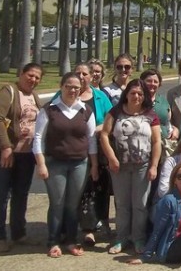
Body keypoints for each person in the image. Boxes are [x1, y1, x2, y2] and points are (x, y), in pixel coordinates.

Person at [33, 72, 99, 258]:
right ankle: (53, 241)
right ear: (61, 87)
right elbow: (38, 138)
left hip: (80, 163)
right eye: (69, 86)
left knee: (72, 204)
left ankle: (71, 240)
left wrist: (93, 165)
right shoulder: (49, 109)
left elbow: (92, 140)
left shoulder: (85, 110)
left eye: (76, 87)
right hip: (55, 163)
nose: (72, 90)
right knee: (58, 203)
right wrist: (41, 163)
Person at [99, 79, 162, 254]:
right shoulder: (116, 112)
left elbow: (157, 141)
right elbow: (104, 134)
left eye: (140, 94)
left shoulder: (151, 114)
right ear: (126, 94)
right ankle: (121, 238)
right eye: (133, 93)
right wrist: (111, 158)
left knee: (140, 204)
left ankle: (138, 238)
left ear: (145, 96)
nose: (136, 96)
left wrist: (154, 166)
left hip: (143, 166)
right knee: (122, 204)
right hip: (119, 166)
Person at [0, 63, 43, 253]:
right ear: (21, 73)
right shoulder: (8, 91)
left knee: (21, 193)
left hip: (26, 155)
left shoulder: (33, 96)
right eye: (30, 75)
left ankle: (19, 233)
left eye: (37, 77)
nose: (33, 79)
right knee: (1, 193)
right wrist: (5, 147)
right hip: (5, 153)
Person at [74, 62, 114, 246]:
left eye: (84, 74)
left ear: (91, 77)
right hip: (74, 150)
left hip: (99, 149)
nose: (81, 77)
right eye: (78, 73)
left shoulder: (100, 97)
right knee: (81, 190)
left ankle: (102, 221)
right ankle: (86, 229)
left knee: (99, 188)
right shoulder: (66, 93)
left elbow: (110, 119)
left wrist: (97, 128)